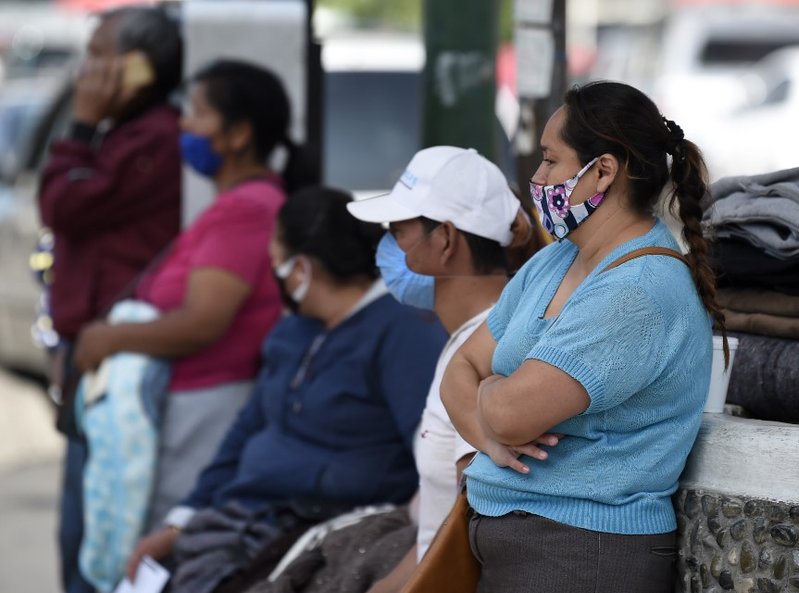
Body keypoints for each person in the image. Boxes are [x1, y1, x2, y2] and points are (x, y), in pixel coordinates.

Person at [441, 81, 729, 593]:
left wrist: (490, 396)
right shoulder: (555, 260)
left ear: (603, 170)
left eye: (551, 161)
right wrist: (489, 436)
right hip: (520, 543)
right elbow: (459, 371)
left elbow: (510, 411)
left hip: (580, 553)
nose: (537, 176)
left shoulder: (637, 291)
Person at [125, 186, 446, 593]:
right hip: (244, 519)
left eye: (275, 258)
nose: (272, 268)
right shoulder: (292, 330)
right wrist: (180, 521)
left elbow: (432, 457)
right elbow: (245, 431)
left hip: (324, 531)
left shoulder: (401, 333)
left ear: (302, 269)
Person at [73, 59, 312, 530]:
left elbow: (203, 321)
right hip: (193, 405)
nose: (184, 125)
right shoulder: (238, 204)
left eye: (197, 113)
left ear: (238, 133)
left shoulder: (245, 209)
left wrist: (110, 339)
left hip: (205, 409)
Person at [343, 146, 539, 593]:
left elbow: (464, 540)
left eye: (398, 231)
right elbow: (435, 533)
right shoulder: (470, 341)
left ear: (446, 241)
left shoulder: (484, 357)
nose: (388, 248)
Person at [36, 7, 182, 593]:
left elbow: (63, 205)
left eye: (99, 56)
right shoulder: (119, 135)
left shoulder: (152, 140)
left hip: (117, 353)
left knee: (92, 528)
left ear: (140, 67)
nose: (85, 73)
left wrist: (78, 126)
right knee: (79, 517)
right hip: (87, 346)